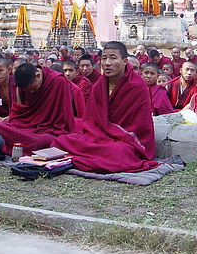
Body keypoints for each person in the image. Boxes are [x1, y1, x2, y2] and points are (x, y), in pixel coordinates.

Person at [53, 41, 158, 173]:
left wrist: (109, 134)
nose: (107, 63)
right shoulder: (99, 86)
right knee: (60, 141)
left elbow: (140, 127)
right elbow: (91, 120)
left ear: (125, 61)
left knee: (119, 152)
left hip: (125, 140)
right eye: (104, 58)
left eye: (113, 58)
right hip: (99, 136)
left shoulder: (138, 87)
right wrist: (99, 135)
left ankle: (88, 155)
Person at [0, 61, 75, 155]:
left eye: (33, 88)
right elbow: (17, 115)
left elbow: (64, 117)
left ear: (38, 75)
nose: (31, 92)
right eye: (28, 90)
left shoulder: (58, 81)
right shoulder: (19, 87)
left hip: (47, 130)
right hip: (24, 127)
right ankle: (19, 143)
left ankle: (11, 143)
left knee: (46, 141)